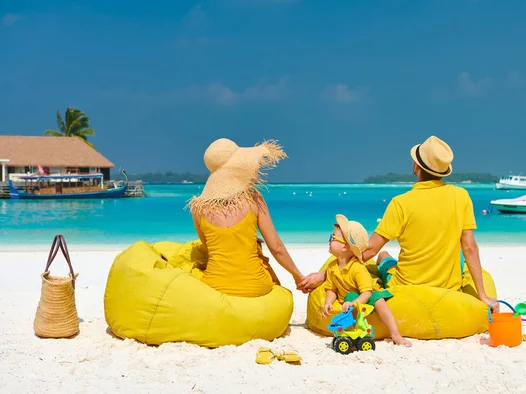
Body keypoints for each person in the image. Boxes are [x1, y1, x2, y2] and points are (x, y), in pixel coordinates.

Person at [298, 135, 498, 312]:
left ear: (416, 167)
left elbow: (368, 251)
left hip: (405, 286)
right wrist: (482, 295)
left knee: (384, 255)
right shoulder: (461, 196)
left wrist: (325, 275)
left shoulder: (401, 203)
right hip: (448, 288)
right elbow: (469, 247)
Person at [189, 138, 305, 297]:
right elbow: (276, 248)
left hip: (215, 287)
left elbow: (211, 249)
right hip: (256, 286)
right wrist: (298, 276)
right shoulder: (253, 198)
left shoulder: (198, 208)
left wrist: (240, 239)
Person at [321, 214, 412, 347]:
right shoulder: (332, 267)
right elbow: (332, 289)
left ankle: (395, 335)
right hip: (352, 295)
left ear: (345, 247)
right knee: (350, 296)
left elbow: (367, 293)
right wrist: (328, 302)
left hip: (368, 291)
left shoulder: (357, 268)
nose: (329, 240)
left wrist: (354, 303)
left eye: (332, 237)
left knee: (379, 300)